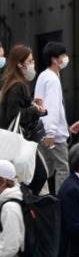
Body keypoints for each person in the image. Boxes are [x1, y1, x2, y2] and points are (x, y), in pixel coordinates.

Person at [0, 45, 48, 195]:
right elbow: (14, 115)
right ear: (20, 64)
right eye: (30, 61)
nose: (32, 64)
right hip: (20, 141)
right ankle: (25, 205)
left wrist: (32, 105)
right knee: (39, 176)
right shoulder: (18, 85)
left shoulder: (10, 82)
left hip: (12, 140)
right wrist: (34, 110)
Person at [34, 41, 70, 192]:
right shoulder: (53, 79)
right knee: (63, 168)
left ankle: (40, 197)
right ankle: (62, 202)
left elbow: (39, 103)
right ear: (55, 59)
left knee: (46, 168)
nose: (65, 58)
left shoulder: (43, 76)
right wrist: (51, 132)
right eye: (62, 55)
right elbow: (53, 107)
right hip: (54, 134)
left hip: (42, 130)